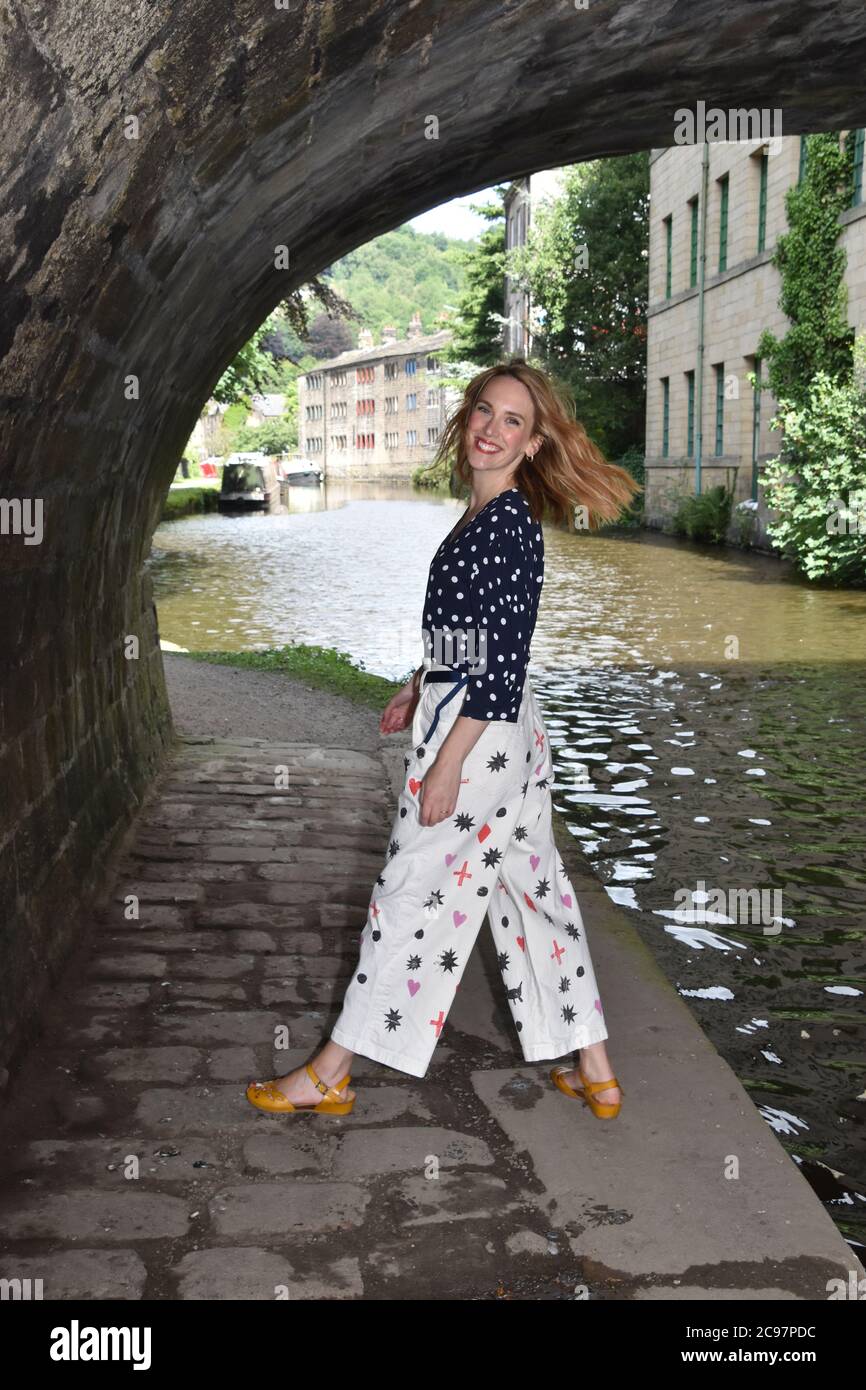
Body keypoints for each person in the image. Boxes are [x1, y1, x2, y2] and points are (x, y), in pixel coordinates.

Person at [246, 359, 641, 1120]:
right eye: (485, 411)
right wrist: (420, 678)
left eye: (512, 421)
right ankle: (595, 1068)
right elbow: (474, 639)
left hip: (478, 734)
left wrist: (448, 763)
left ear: (532, 444)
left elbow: (502, 664)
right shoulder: (484, 516)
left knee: (408, 892)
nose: (491, 430)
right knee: (534, 891)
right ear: (467, 418)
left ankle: (331, 1071)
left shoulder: (509, 525)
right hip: (498, 725)